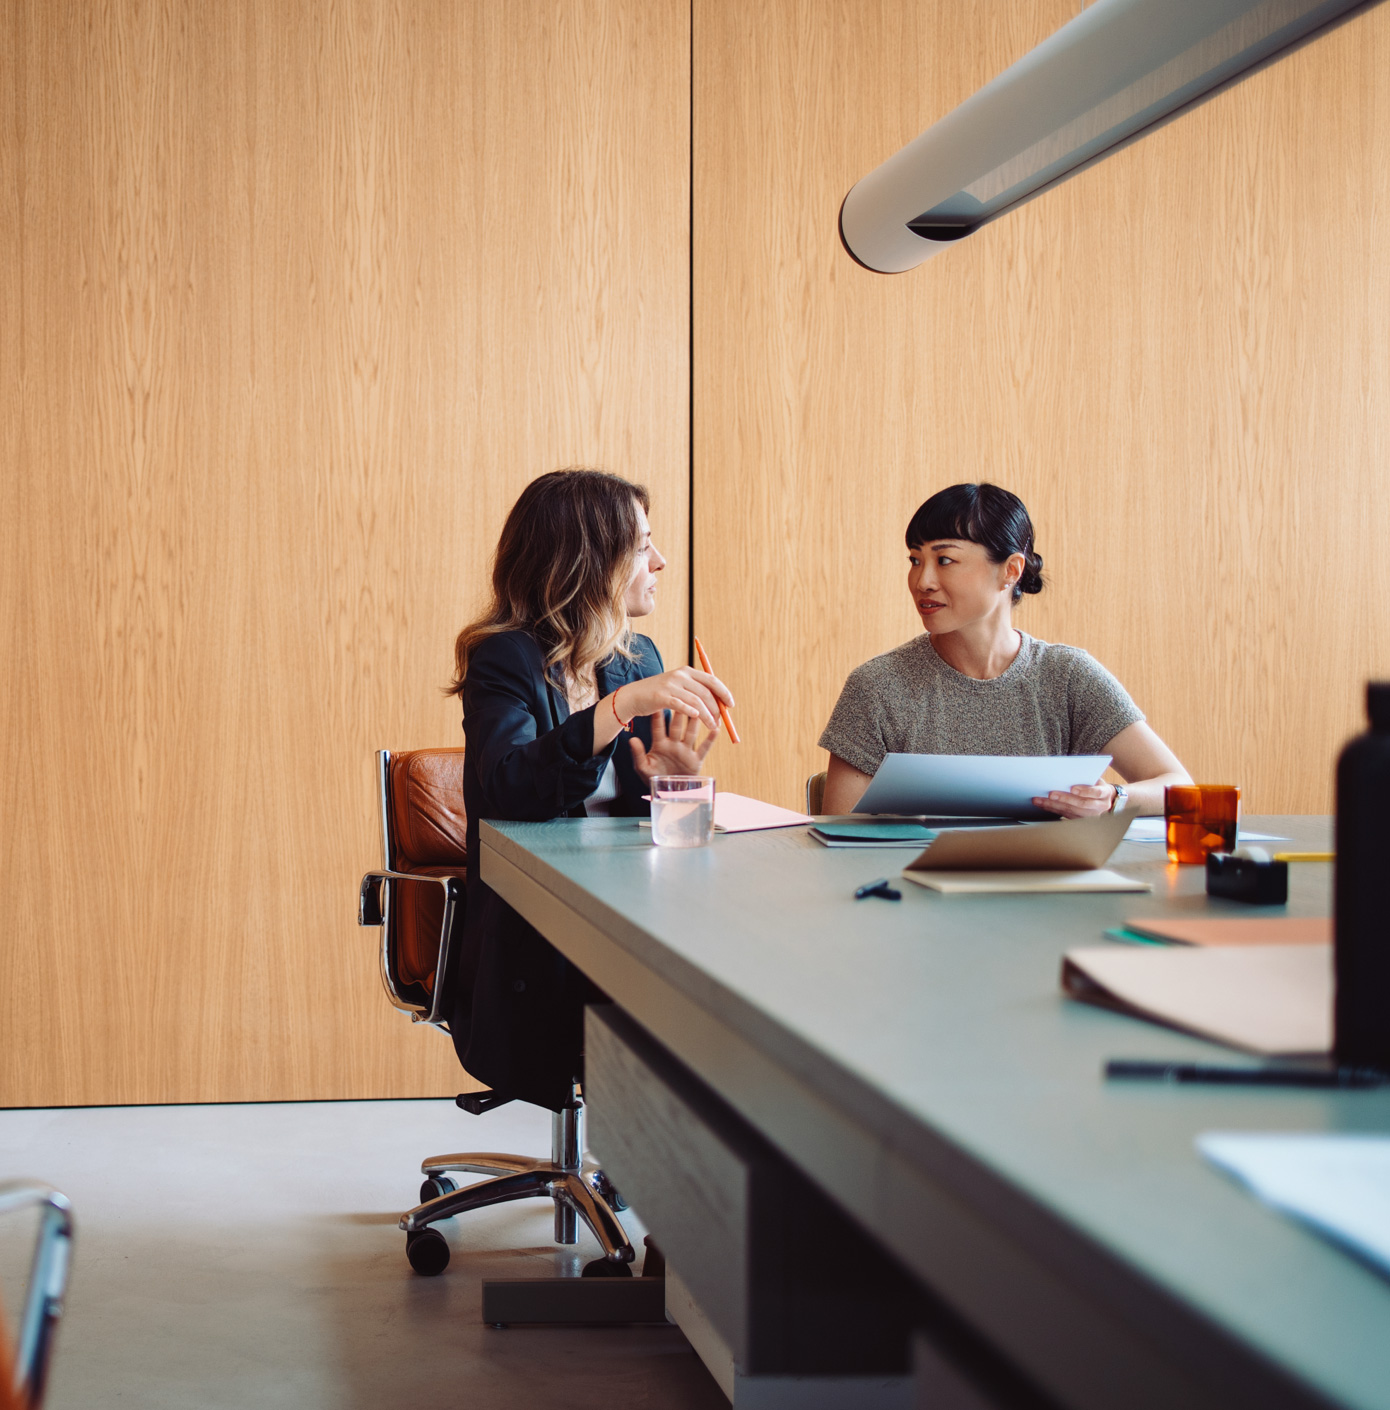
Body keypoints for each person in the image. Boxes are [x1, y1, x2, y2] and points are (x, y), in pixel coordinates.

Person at [446, 468, 732, 1110]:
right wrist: (617, 709)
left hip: (628, 912)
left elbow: (649, 832)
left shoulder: (637, 658)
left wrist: (673, 786)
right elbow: (511, 789)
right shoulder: (505, 658)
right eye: (642, 547)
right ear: (588, 561)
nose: (660, 562)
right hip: (538, 927)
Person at [819, 482, 1190, 816]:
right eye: (915, 560)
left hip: (1048, 872)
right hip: (914, 872)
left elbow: (1178, 785)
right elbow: (840, 833)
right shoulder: (876, 686)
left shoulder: (1068, 677)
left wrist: (1112, 799)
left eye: (944, 560)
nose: (922, 581)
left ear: (1011, 570)